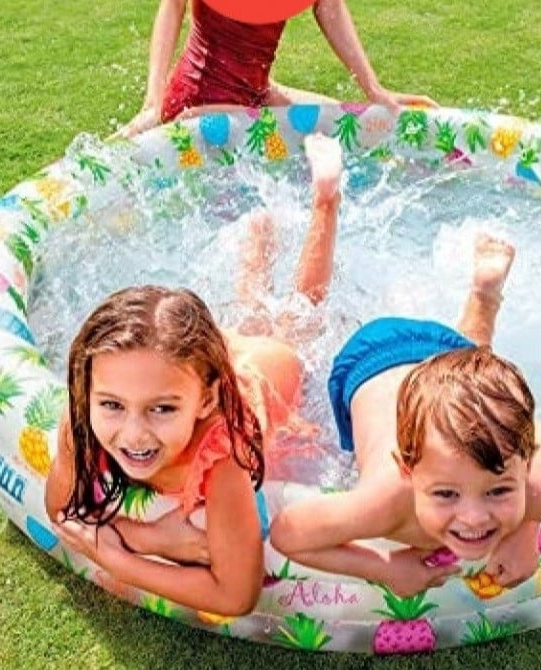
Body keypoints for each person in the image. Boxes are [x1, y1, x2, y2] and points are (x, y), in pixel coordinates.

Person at [44, 134, 345, 614]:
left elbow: (236, 595)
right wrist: (156, 539)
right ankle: (259, 243)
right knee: (247, 316)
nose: (133, 433)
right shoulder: (86, 412)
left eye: (161, 410)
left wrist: (118, 557)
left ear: (205, 400)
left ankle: (325, 201)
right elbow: (60, 509)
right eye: (113, 405)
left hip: (265, 371)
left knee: (296, 319)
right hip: (185, 367)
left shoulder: (222, 458)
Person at [270, 234, 541, 597]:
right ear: (407, 469)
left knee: (482, 398)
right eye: (446, 493)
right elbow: (287, 532)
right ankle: (481, 301)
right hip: (370, 362)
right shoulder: (384, 501)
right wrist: (384, 568)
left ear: (526, 465)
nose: (474, 517)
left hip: (445, 351)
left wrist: (527, 527)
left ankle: (484, 298)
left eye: (498, 490)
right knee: (298, 351)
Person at [119, 0, 437, 137]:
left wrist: (374, 90)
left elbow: (327, 5)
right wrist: (154, 103)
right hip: (201, 103)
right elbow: (173, 5)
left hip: (256, 95)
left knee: (348, 132)